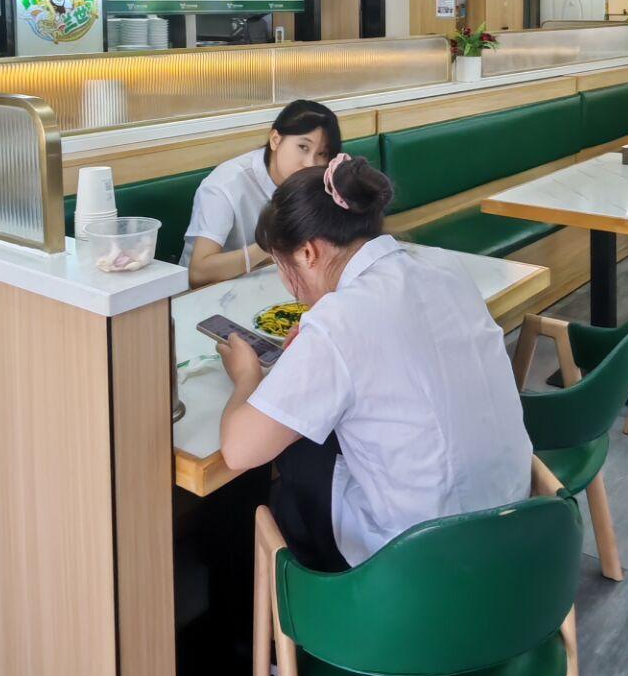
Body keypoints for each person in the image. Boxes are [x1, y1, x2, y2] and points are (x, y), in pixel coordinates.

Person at [214, 154, 532, 570]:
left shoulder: (338, 322)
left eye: (280, 264)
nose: (287, 283)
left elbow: (238, 451)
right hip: (520, 528)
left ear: (307, 252)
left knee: (294, 458)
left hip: (423, 565)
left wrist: (247, 376)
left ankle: (308, 598)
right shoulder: (445, 266)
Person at [184, 99, 340, 287]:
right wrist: (271, 244)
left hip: (271, 284)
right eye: (303, 147)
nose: (310, 163)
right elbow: (198, 272)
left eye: (322, 154)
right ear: (275, 140)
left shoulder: (317, 179)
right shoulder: (225, 184)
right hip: (206, 294)